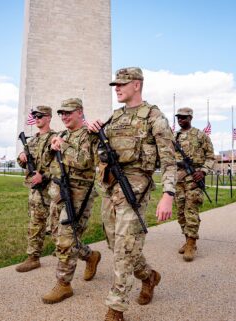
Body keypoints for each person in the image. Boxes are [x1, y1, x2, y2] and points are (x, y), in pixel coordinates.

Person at [88, 67, 176, 321]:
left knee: (125, 248)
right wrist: (95, 133)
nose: (117, 88)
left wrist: (168, 194)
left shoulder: (154, 118)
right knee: (115, 243)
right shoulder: (114, 118)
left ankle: (116, 308)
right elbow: (100, 153)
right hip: (110, 186)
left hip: (136, 186)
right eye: (115, 84)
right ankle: (149, 276)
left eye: (122, 84)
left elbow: (169, 161)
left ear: (136, 85)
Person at [41, 98, 101, 304]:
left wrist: (63, 146)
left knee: (67, 240)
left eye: (68, 112)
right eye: (61, 113)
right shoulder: (63, 135)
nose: (64, 117)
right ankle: (90, 256)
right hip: (58, 193)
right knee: (59, 237)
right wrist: (53, 147)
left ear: (80, 112)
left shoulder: (89, 134)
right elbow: (49, 163)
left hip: (78, 194)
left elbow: (85, 162)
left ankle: (64, 284)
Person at [15, 105, 56, 272]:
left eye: (40, 116)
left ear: (48, 117)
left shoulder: (56, 139)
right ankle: (33, 257)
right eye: (35, 116)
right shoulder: (31, 141)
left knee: (57, 225)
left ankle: (69, 253)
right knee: (35, 223)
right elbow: (22, 162)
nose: (37, 119)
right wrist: (21, 157)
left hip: (52, 190)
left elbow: (60, 165)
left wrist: (44, 176)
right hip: (35, 191)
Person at [174, 107, 215, 261]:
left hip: (194, 179)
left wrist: (203, 171)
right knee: (180, 213)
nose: (180, 120)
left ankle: (191, 243)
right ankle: (186, 240)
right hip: (178, 179)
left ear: (190, 118)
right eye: (178, 117)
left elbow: (210, 156)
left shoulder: (200, 135)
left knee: (191, 211)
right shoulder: (174, 136)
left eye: (183, 117)